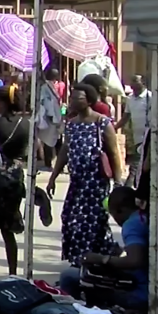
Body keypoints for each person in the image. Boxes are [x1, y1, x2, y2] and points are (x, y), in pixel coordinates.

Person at [49, 83, 122, 268]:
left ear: (89, 101)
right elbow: (65, 151)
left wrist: (118, 181)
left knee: (90, 224)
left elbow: (114, 152)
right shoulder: (71, 124)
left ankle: (86, 263)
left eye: (77, 98)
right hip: (77, 183)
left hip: (96, 184)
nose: (72, 101)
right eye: (71, 97)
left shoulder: (102, 123)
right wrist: (53, 177)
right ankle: (87, 259)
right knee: (69, 218)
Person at [57, 186, 148, 313]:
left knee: (68, 276)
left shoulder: (131, 225)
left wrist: (102, 259)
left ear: (120, 210)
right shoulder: (142, 217)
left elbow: (136, 260)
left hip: (139, 293)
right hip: (142, 283)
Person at [0, 86, 33, 277]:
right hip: (16, 179)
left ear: (3, 103)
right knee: (8, 231)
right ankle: (13, 273)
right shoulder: (27, 123)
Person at [118, 74, 151, 186]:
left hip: (147, 138)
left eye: (135, 81)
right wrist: (113, 128)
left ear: (143, 83)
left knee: (136, 166)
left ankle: (128, 187)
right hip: (137, 139)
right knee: (139, 166)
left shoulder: (149, 97)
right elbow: (125, 118)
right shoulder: (130, 99)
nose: (132, 84)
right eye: (132, 81)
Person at [35, 68, 66, 170]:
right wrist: (53, 117)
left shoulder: (49, 86)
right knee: (51, 141)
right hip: (51, 118)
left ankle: (56, 164)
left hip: (54, 117)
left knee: (54, 142)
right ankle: (51, 163)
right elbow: (48, 104)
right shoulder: (47, 87)